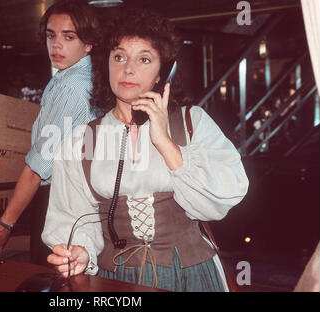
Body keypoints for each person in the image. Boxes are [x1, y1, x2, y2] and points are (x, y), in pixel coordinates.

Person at [42, 9, 249, 291]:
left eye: (144, 59)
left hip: (192, 276)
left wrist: (166, 142)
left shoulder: (193, 123)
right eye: (119, 57)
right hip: (115, 280)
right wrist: (80, 252)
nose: (128, 69)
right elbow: (72, 215)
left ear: (162, 73)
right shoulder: (81, 140)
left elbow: (223, 197)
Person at [0, 0, 101, 266]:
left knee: (53, 279)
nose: (56, 45)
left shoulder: (71, 89)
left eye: (69, 37)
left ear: (88, 44)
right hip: (77, 200)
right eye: (51, 35)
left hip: (64, 202)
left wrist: (5, 224)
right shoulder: (70, 78)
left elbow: (37, 168)